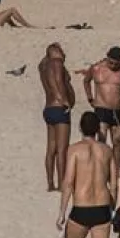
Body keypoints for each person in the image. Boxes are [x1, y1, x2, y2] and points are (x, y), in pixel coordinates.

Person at [58, 112, 116, 238]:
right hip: (102, 208)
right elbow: (113, 183)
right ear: (98, 129)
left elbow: (68, 182)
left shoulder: (74, 150)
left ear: (80, 128)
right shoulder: (107, 151)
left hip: (81, 209)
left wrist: (61, 212)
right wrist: (112, 207)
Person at [83, 46, 120, 169]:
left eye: (115, 63)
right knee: (101, 140)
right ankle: (102, 168)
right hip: (101, 108)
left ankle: (117, 169)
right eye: (110, 62)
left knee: (117, 141)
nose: (112, 65)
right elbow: (86, 81)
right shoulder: (96, 68)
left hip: (117, 110)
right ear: (107, 58)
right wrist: (90, 98)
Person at [40, 43, 76, 192]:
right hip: (59, 108)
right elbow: (57, 82)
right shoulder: (57, 63)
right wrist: (63, 99)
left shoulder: (43, 66)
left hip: (48, 108)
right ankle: (62, 183)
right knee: (62, 149)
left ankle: (50, 183)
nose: (63, 53)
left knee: (51, 149)